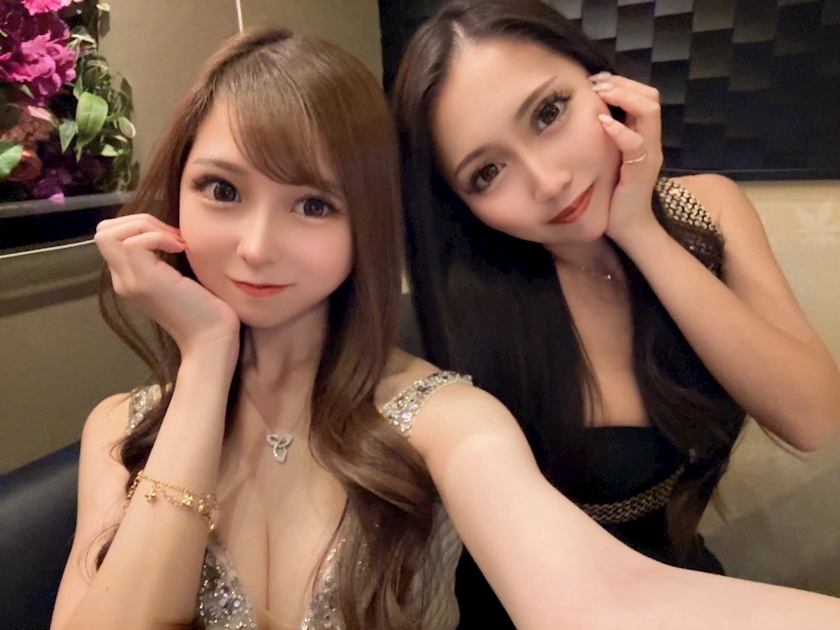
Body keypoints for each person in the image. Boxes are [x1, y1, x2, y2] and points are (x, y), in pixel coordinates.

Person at [50, 27, 839, 630]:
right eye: (221, 189)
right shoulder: (117, 429)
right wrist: (205, 359)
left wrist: (637, 229)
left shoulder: (439, 418)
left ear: (367, 225)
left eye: (314, 204)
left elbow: (602, 598)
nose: (256, 246)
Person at [391, 0, 840, 627]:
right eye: (487, 172)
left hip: (684, 586)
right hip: (528, 610)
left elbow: (811, 418)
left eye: (549, 112)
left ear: (605, 84)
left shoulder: (706, 212)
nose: (548, 181)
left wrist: (639, 230)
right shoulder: (454, 311)